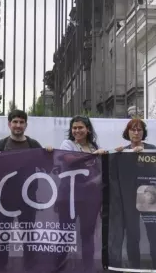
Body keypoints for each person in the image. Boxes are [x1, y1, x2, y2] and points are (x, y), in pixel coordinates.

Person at [0, 109, 52, 271]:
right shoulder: (0, 145)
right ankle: (2, 268)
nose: (18, 125)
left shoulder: (34, 145)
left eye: (21, 122)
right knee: (3, 234)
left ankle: (29, 267)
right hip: (4, 198)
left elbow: (46, 168)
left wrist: (49, 153)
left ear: (26, 125)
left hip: (28, 198)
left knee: (28, 235)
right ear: (9, 124)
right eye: (15, 122)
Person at [58, 116, 106, 271]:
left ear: (88, 129)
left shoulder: (94, 146)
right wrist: (94, 155)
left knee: (87, 234)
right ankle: (58, 267)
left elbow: (100, 171)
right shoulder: (67, 144)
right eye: (74, 128)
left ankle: (88, 268)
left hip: (89, 198)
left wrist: (95, 182)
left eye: (80, 127)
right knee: (65, 234)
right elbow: (70, 160)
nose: (77, 131)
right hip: (69, 197)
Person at [114, 119, 156, 268]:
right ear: (127, 132)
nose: (136, 133)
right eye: (133, 130)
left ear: (143, 132)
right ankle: (134, 267)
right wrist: (117, 155)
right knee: (132, 234)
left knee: (154, 233)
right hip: (130, 196)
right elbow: (117, 174)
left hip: (150, 195)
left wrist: (143, 157)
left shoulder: (152, 149)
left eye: (139, 129)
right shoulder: (123, 151)